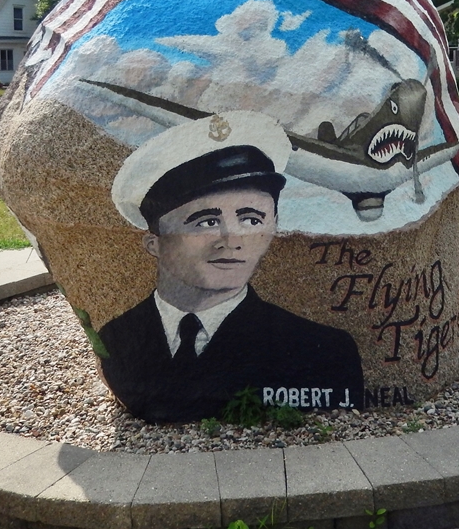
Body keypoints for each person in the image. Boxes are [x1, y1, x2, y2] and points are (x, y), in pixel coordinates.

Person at [97, 111, 363, 423]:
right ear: (155, 244)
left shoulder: (322, 351)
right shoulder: (116, 338)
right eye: (206, 221)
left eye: (251, 219)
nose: (231, 240)